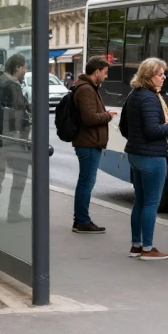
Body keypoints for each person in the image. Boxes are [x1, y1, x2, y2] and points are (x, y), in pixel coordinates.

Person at [118, 57, 168, 261]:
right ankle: (148, 248)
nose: (164, 77)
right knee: (151, 203)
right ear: (148, 76)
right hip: (152, 156)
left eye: (164, 73)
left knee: (140, 201)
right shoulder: (149, 98)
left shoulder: (134, 95)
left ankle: (136, 245)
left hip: (135, 154)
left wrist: (136, 140)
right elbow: (152, 130)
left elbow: (124, 127)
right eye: (160, 74)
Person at [71, 56, 117, 234]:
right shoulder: (86, 90)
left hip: (89, 142)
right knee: (86, 182)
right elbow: (89, 118)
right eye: (104, 73)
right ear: (96, 72)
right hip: (88, 143)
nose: (105, 77)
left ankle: (80, 220)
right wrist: (108, 115)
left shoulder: (87, 88)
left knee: (85, 181)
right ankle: (82, 221)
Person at [0, 54, 32, 223]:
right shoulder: (12, 86)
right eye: (25, 67)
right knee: (20, 175)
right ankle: (13, 212)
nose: (26, 70)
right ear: (17, 68)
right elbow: (19, 111)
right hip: (13, 137)